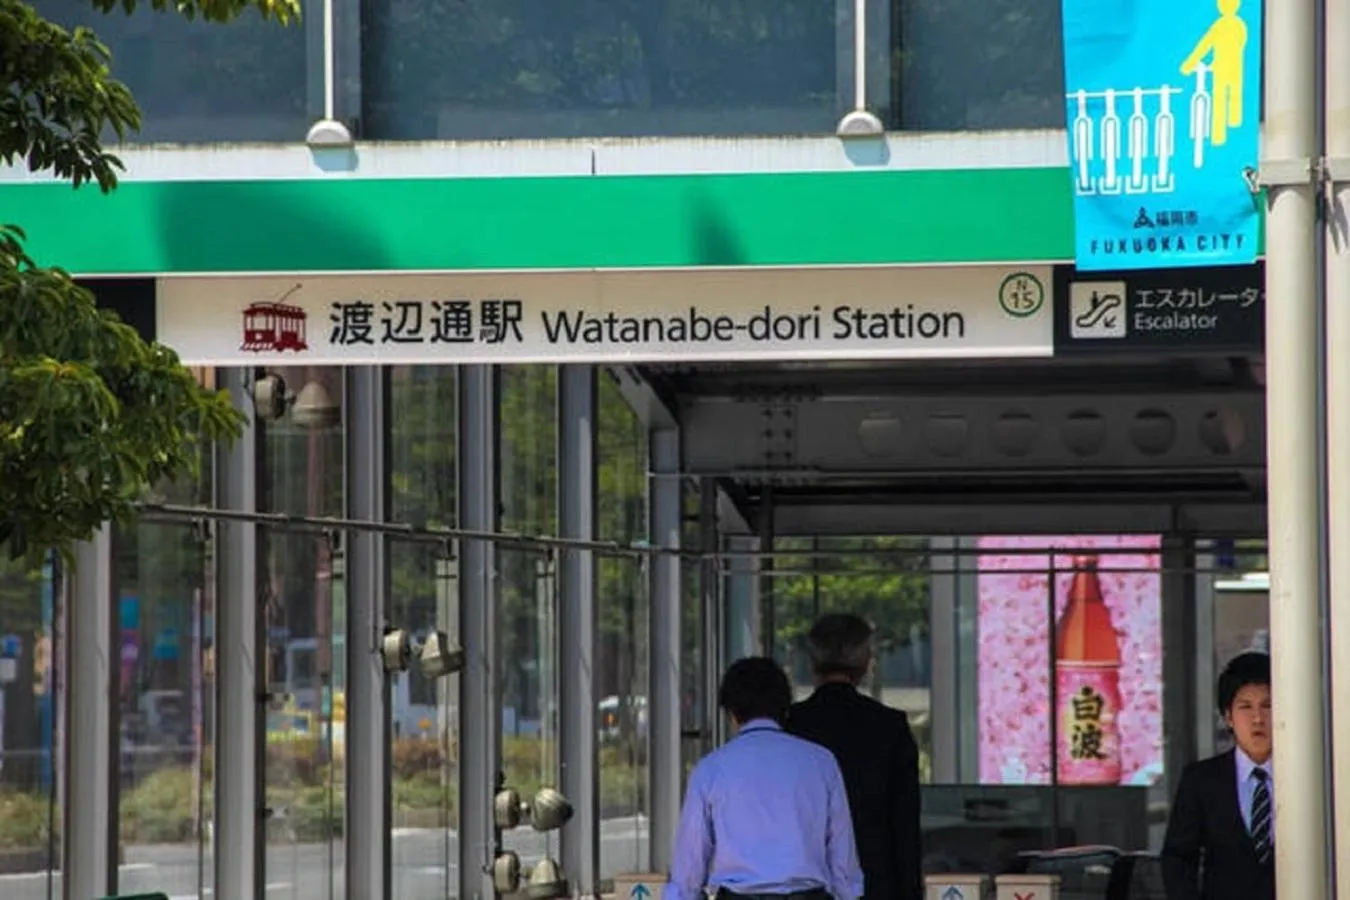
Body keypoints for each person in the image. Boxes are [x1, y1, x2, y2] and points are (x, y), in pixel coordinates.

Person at [665, 656, 864, 900]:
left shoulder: (711, 769)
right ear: (784, 709)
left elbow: (689, 866)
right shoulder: (821, 762)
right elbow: (842, 858)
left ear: (732, 714)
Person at [785, 614, 923, 900]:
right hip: (875, 879)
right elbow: (905, 826)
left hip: (803, 882)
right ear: (864, 662)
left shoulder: (790, 724)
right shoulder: (889, 726)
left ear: (812, 663)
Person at [1161, 651, 1274, 900]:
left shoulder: (1309, 781)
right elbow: (1177, 859)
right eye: (1245, 706)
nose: (1258, 718)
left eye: (1267, 705)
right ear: (1228, 717)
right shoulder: (1201, 780)